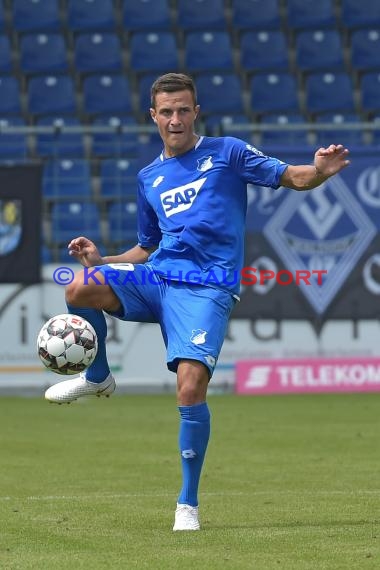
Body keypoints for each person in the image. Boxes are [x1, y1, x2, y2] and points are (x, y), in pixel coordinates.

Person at [45, 72, 350, 531]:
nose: (175, 119)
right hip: (156, 277)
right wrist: (101, 258)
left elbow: (291, 176)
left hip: (206, 287)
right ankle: (99, 377)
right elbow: (146, 246)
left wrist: (319, 174)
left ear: (196, 112)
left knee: (189, 388)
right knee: (80, 285)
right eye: (166, 111)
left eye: (183, 110)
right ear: (153, 116)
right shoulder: (149, 177)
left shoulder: (227, 153)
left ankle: (187, 503)